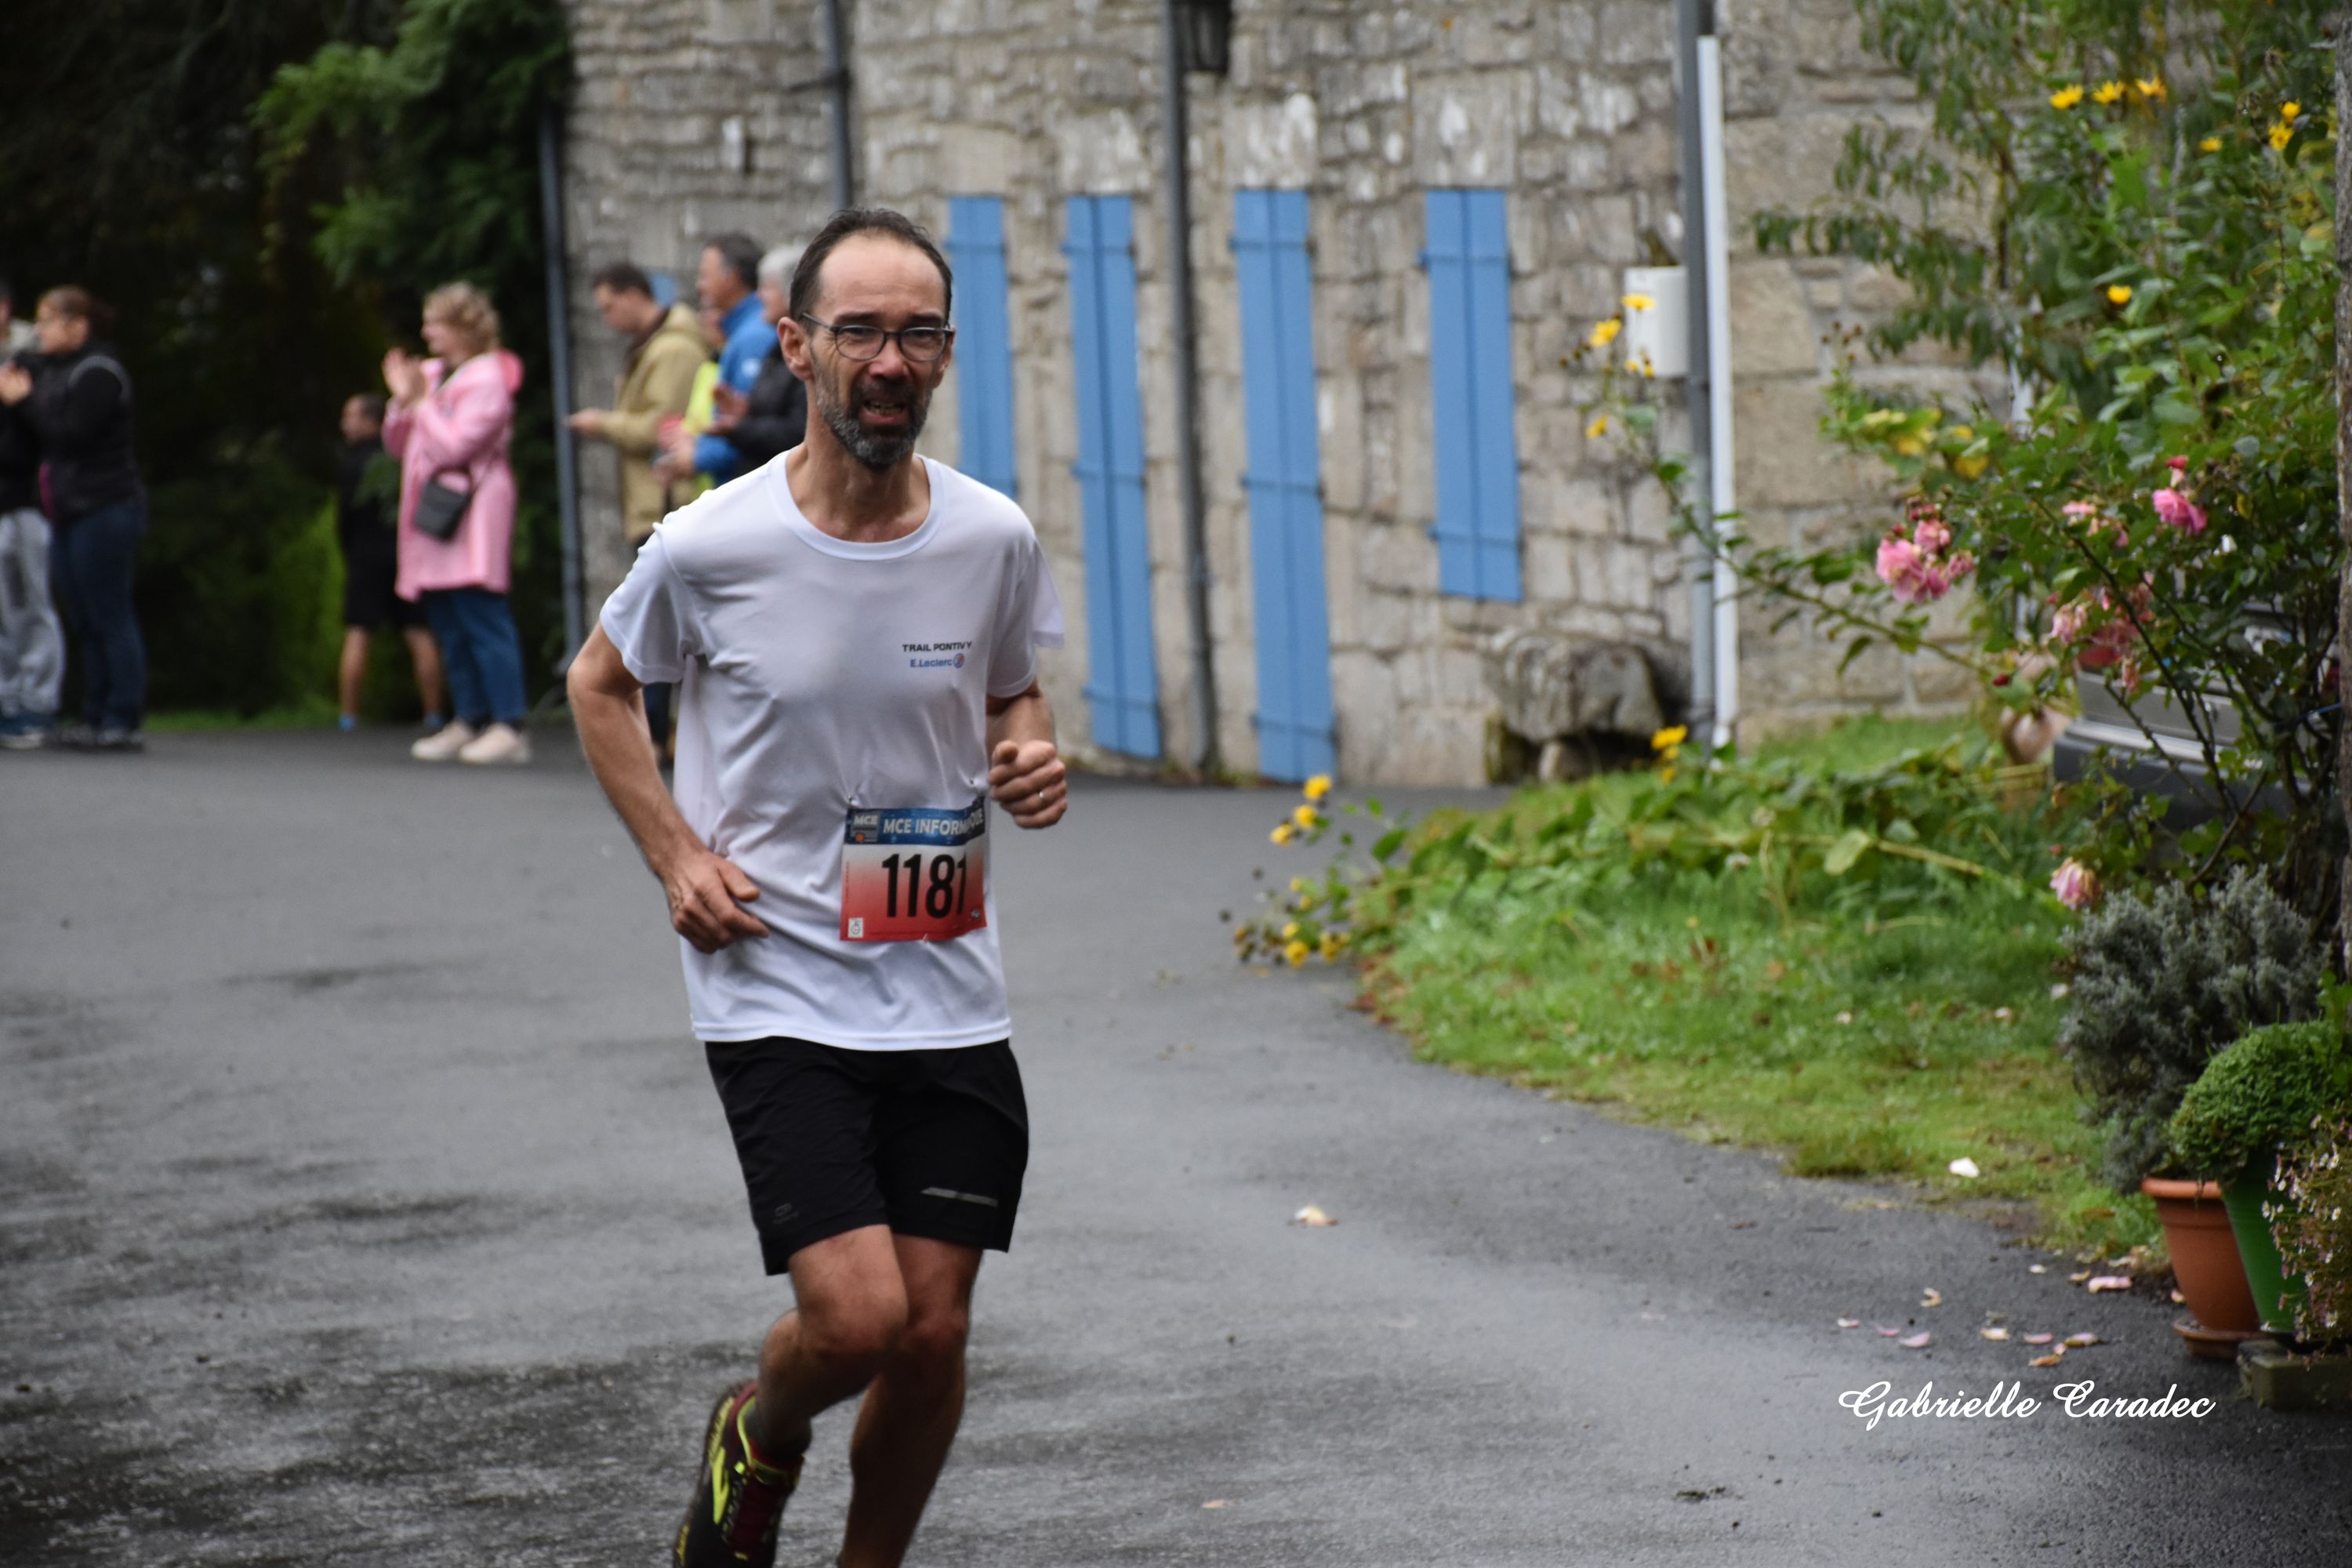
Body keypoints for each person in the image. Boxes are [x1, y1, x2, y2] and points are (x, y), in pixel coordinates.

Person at [567, 207, 1069, 1568]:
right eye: (860, 332)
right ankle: (760, 1425)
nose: (890, 361)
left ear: (946, 353)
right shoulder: (707, 546)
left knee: (936, 1333)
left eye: (918, 334)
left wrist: (1028, 753)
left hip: (946, 981)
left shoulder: (991, 537)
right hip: (777, 980)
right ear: (796, 347)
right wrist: (678, 857)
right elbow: (600, 689)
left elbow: (1013, 691)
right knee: (857, 1324)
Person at [383, 281, 532, 766]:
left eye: (436, 323)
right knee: (447, 617)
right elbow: (397, 444)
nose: (426, 333)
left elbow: (454, 447)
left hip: (473, 511)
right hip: (437, 513)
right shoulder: (432, 376)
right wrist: (401, 402)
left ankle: (509, 724)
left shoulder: (488, 379)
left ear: (464, 327)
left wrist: (420, 404)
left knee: (481, 613)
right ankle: (469, 718)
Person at [0, 287, 147, 751]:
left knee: (109, 613)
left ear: (77, 326)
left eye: (48, 321)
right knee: (82, 615)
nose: (39, 330)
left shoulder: (98, 372)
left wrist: (23, 403)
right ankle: (94, 715)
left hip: (106, 505)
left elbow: (71, 436)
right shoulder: (57, 368)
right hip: (67, 508)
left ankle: (121, 716)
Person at [569, 263, 706, 759]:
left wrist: (603, 424)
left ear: (633, 295)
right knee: (659, 627)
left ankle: (655, 737)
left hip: (667, 503)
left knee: (661, 629)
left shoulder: (672, 349)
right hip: (652, 502)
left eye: (609, 306)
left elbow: (659, 427)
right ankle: (657, 735)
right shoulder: (654, 344)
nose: (606, 319)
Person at [334, 393, 445, 731]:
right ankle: (434, 715)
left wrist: (350, 553)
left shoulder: (354, 463)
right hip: (406, 555)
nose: (344, 424)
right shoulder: (405, 455)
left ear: (373, 420)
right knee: (418, 631)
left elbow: (344, 518)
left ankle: (348, 717)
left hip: (366, 557)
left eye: (351, 417)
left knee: (359, 632)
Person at [0, 278, 64, 749]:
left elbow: (49, 428)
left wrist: (19, 399)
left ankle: (37, 704)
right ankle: (7, 702)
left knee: (33, 603)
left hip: (29, 499)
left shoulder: (35, 356)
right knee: (3, 608)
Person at [701, 244, 808, 473]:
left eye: (767, 287)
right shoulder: (776, 348)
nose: (759, 296)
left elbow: (800, 431)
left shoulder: (806, 355)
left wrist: (739, 428)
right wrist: (746, 412)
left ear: (792, 293)